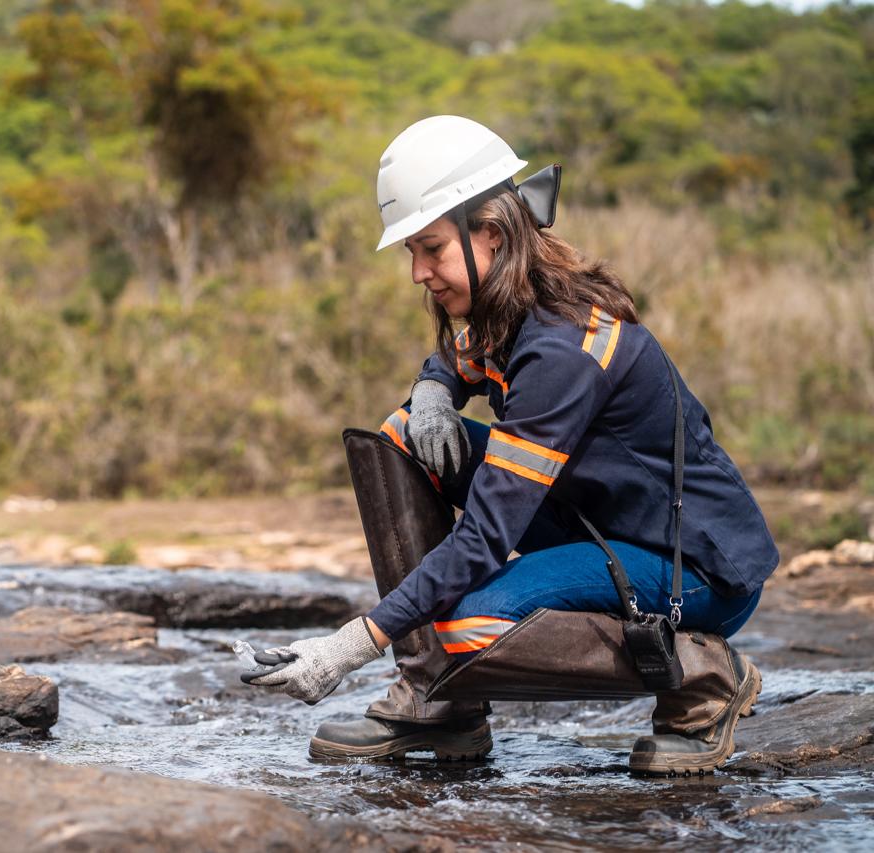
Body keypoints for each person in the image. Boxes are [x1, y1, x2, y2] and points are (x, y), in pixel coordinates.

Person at [244, 116, 779, 777]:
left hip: (690, 566)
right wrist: (434, 392)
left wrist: (349, 645)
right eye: (412, 252)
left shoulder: (562, 348)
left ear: (491, 233)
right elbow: (454, 360)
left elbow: (484, 540)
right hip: (599, 522)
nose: (417, 272)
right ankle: (438, 705)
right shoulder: (511, 305)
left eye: (430, 249)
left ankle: (704, 675)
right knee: (402, 432)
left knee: (466, 628)